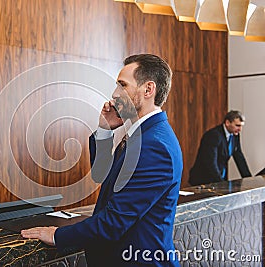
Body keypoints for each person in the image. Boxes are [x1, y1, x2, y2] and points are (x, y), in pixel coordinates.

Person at [21, 54, 183, 266]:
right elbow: (104, 175)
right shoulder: (144, 135)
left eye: (122, 85)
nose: (115, 94)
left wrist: (57, 235)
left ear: (148, 89)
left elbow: (114, 223)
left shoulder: (154, 145)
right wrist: (105, 130)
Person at [189, 110, 252, 186]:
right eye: (237, 125)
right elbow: (211, 163)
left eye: (241, 126)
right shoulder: (213, 135)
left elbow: (239, 157)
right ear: (227, 123)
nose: (240, 129)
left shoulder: (235, 135)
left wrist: (249, 180)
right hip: (204, 180)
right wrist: (221, 184)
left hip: (219, 179)